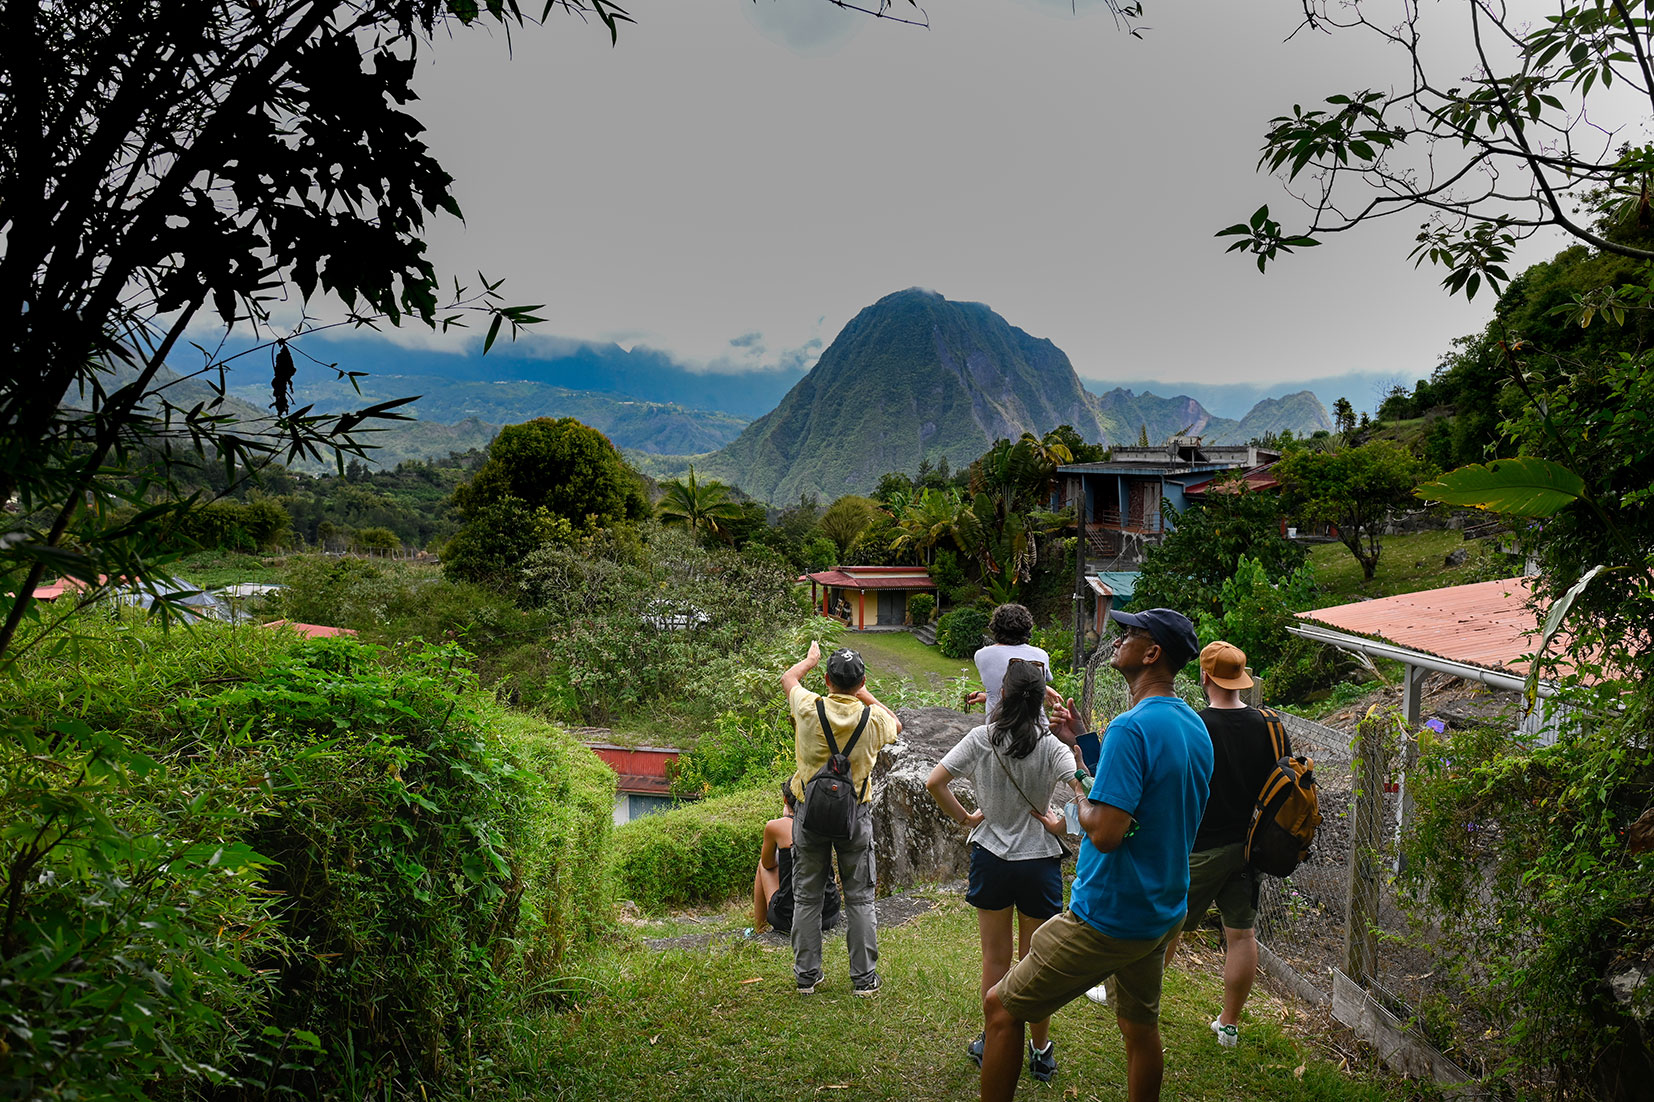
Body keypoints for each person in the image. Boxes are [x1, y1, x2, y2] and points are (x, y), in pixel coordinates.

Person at [979, 608, 1213, 1102]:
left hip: (1109, 912)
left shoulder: (1131, 726)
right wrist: (1084, 743)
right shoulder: (1193, 725)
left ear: (1152, 653)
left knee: (1001, 1007)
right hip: (1163, 910)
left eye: (1130, 634)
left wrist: (1076, 803)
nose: (1119, 638)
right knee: (1138, 1028)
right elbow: (1137, 793)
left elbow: (1106, 830)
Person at [925, 659, 1075, 1083]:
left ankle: (993, 1039)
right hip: (1039, 860)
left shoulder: (980, 738)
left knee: (996, 957)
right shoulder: (1052, 746)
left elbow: (935, 782)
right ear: (1043, 698)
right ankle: (1041, 1050)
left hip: (991, 855)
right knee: (1037, 963)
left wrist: (967, 818)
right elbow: (1089, 794)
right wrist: (1061, 824)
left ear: (1003, 694)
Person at [1161, 640, 1286, 1048]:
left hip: (1200, 845)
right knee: (1242, 935)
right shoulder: (1271, 725)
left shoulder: (1194, 725)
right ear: (1242, 679)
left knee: (1165, 924)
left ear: (1204, 676)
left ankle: (1141, 997)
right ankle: (1229, 1026)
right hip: (1251, 847)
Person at [782, 641, 902, 996]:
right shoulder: (874, 719)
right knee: (860, 898)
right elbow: (895, 721)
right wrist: (866, 694)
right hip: (855, 815)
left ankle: (807, 975)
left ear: (826, 680)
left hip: (809, 814)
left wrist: (809, 660)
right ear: (861, 679)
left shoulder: (807, 707)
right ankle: (863, 980)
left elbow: (788, 678)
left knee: (807, 896)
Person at [752, 782, 841, 936]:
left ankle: (759, 930)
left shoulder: (775, 826)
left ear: (785, 800)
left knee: (763, 864)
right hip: (828, 915)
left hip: (789, 920)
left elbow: (768, 863)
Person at [966, 604, 1062, 716]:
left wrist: (991, 696)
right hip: (1037, 726)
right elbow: (1022, 695)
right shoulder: (1041, 655)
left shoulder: (982, 655)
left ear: (995, 627)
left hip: (998, 726)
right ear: (1028, 628)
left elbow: (1005, 691)